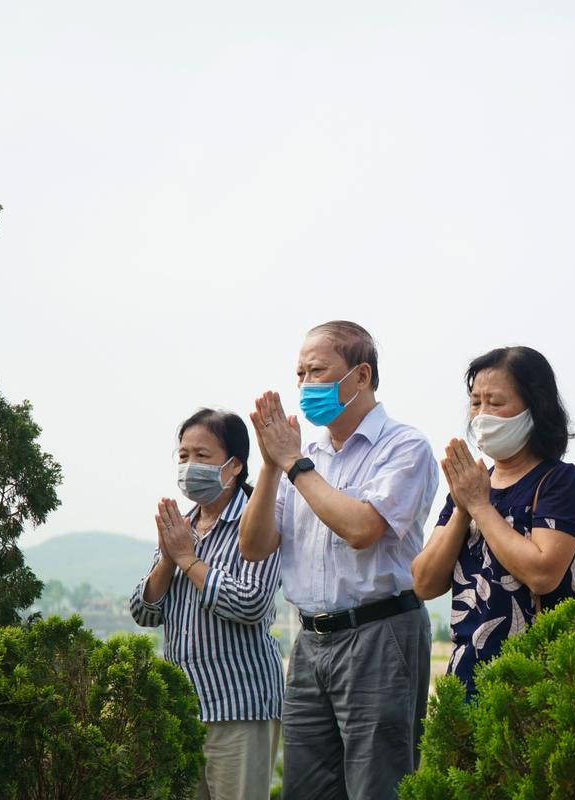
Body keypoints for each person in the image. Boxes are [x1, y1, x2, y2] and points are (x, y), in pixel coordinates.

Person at [239, 320, 438, 800]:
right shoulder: (303, 456)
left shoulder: (403, 446)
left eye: (318, 371)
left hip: (379, 633)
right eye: (300, 374)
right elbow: (254, 545)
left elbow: (362, 528)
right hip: (311, 641)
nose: (306, 386)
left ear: (361, 376)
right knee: (304, 787)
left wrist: (293, 465)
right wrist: (269, 466)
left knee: (378, 784)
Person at [411, 346, 575, 696]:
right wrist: (464, 508)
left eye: (495, 403)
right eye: (476, 402)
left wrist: (480, 507)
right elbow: (424, 581)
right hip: (465, 678)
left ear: (535, 408)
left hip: (535, 680)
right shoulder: (470, 487)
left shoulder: (560, 481)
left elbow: (543, 573)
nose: (482, 415)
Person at [129, 409, 283, 800]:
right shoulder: (184, 525)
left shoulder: (257, 520)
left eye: (202, 456)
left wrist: (188, 561)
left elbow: (252, 602)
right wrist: (168, 558)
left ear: (233, 467)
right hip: (182, 710)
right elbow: (144, 612)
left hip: (239, 707)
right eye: (183, 457)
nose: (189, 466)